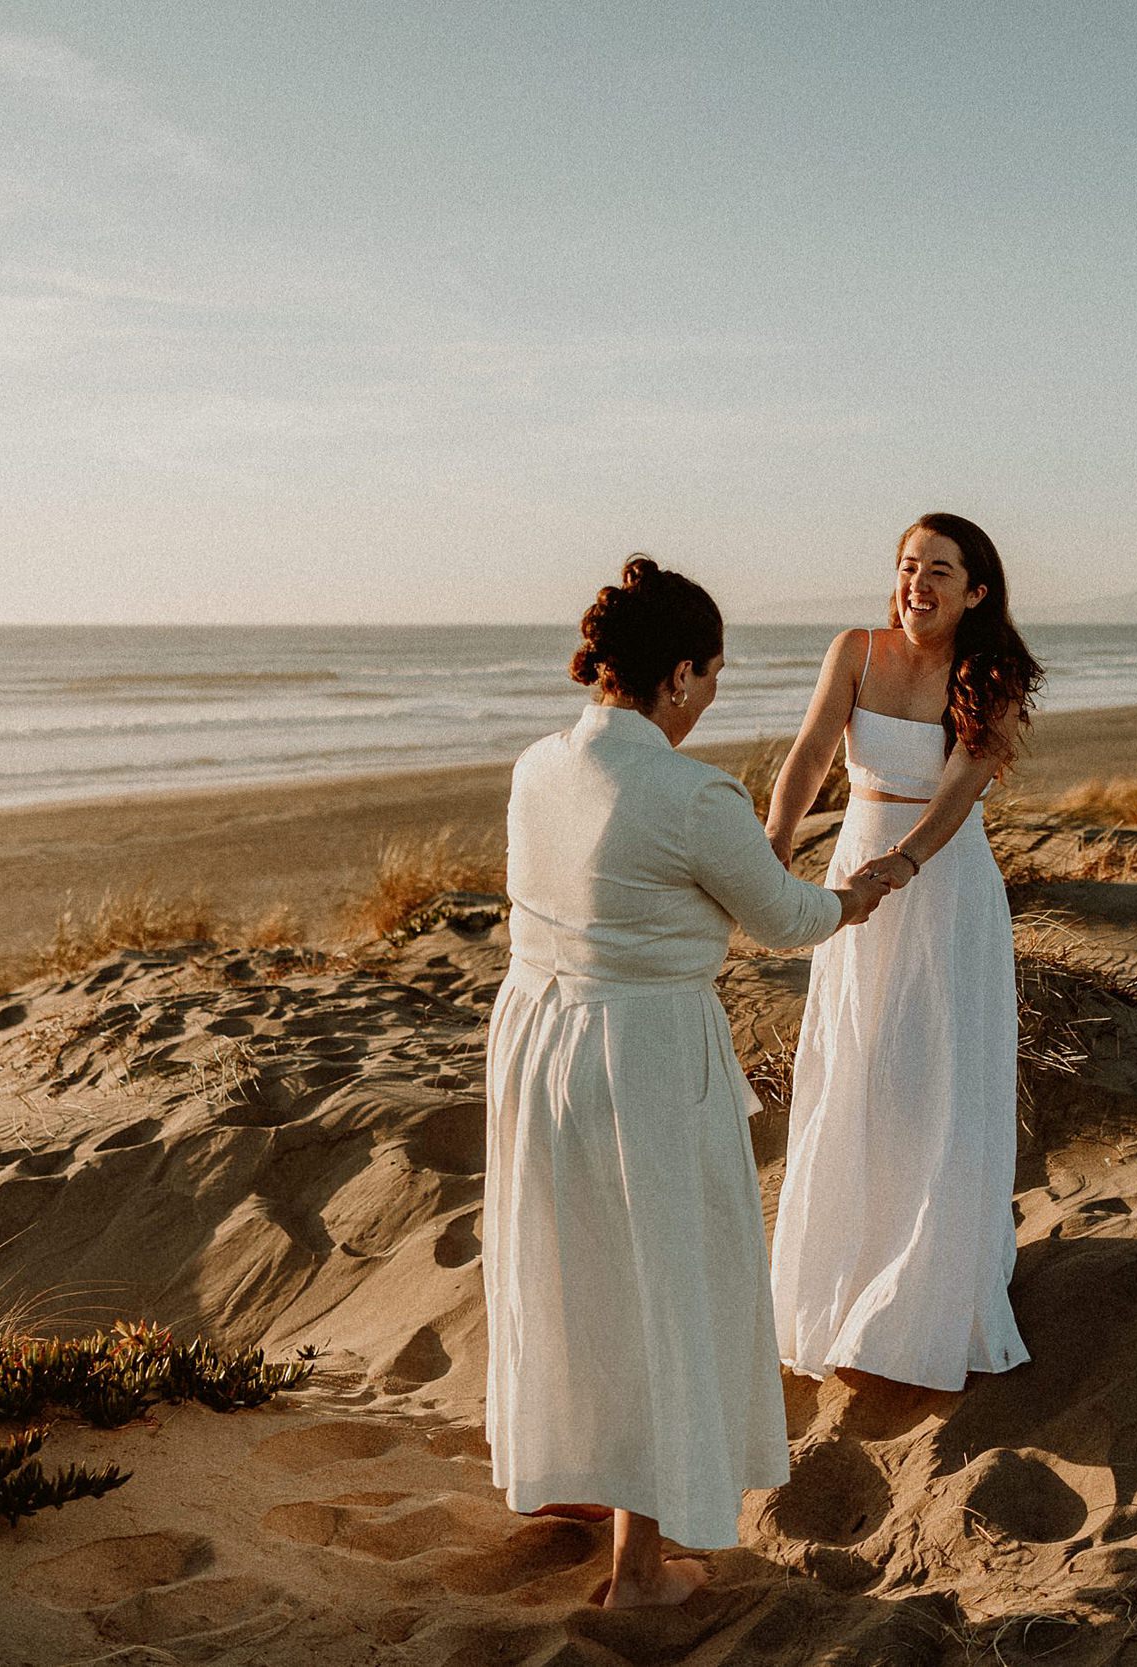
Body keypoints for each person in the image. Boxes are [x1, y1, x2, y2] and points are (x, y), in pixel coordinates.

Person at [484, 557, 891, 1609]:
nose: (711, 694)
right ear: (675, 677)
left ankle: (573, 1469)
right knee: (665, 1288)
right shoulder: (694, 792)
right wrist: (854, 896)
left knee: (570, 1268)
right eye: (710, 674)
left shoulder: (536, 765)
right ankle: (636, 1572)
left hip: (536, 1041)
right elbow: (785, 918)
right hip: (644, 1055)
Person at [764, 512, 1045, 1391]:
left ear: (976, 591)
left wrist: (907, 859)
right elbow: (812, 750)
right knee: (856, 1064)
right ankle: (846, 1277)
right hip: (857, 870)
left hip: (943, 880)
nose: (916, 583)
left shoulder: (992, 677)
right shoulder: (855, 650)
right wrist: (773, 842)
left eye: (938, 570)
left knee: (935, 1073)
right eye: (908, 565)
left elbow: (961, 786)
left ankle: (923, 1294)